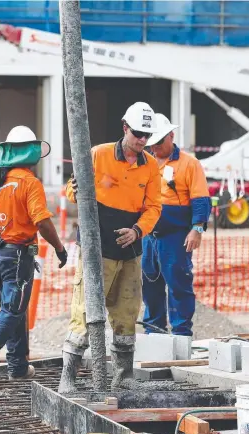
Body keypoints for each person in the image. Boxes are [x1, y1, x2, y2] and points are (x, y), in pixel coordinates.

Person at [58, 101, 162, 393]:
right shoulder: (99, 154)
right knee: (84, 310)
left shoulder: (151, 166)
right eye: (138, 133)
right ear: (125, 127)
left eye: (147, 135)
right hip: (96, 246)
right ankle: (69, 375)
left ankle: (124, 374)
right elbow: (71, 188)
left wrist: (137, 230)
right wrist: (75, 191)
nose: (142, 140)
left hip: (129, 249)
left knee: (126, 311)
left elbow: (154, 207)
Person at [0, 126, 68, 384]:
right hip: (18, 255)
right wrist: (59, 247)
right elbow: (42, 222)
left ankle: (18, 366)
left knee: (15, 309)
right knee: (13, 309)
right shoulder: (29, 183)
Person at [141, 113, 211, 337]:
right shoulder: (144, 161)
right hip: (147, 234)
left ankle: (181, 333)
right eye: (151, 144)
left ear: (171, 136)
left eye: (159, 143)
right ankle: (154, 331)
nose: (155, 148)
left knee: (178, 284)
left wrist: (197, 228)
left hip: (175, 235)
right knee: (149, 283)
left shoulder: (189, 164)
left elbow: (200, 199)